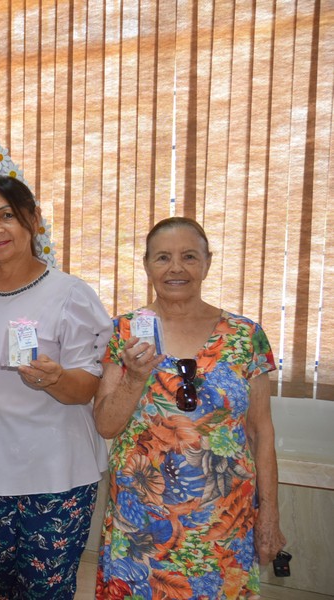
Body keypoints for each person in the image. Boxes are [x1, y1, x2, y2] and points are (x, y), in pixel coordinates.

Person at [93, 217, 287, 598]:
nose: (176, 268)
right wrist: (134, 377)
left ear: (207, 263)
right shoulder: (125, 332)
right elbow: (105, 425)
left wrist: (270, 514)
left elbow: (261, 432)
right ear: (147, 265)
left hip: (222, 525)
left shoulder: (245, 336)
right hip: (143, 526)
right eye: (163, 257)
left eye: (189, 257)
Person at [0, 175, 112, 599]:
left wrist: (55, 379)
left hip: (56, 476)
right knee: (8, 590)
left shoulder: (70, 295)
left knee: (46, 594)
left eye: (7, 216)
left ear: (33, 220)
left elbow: (86, 387)